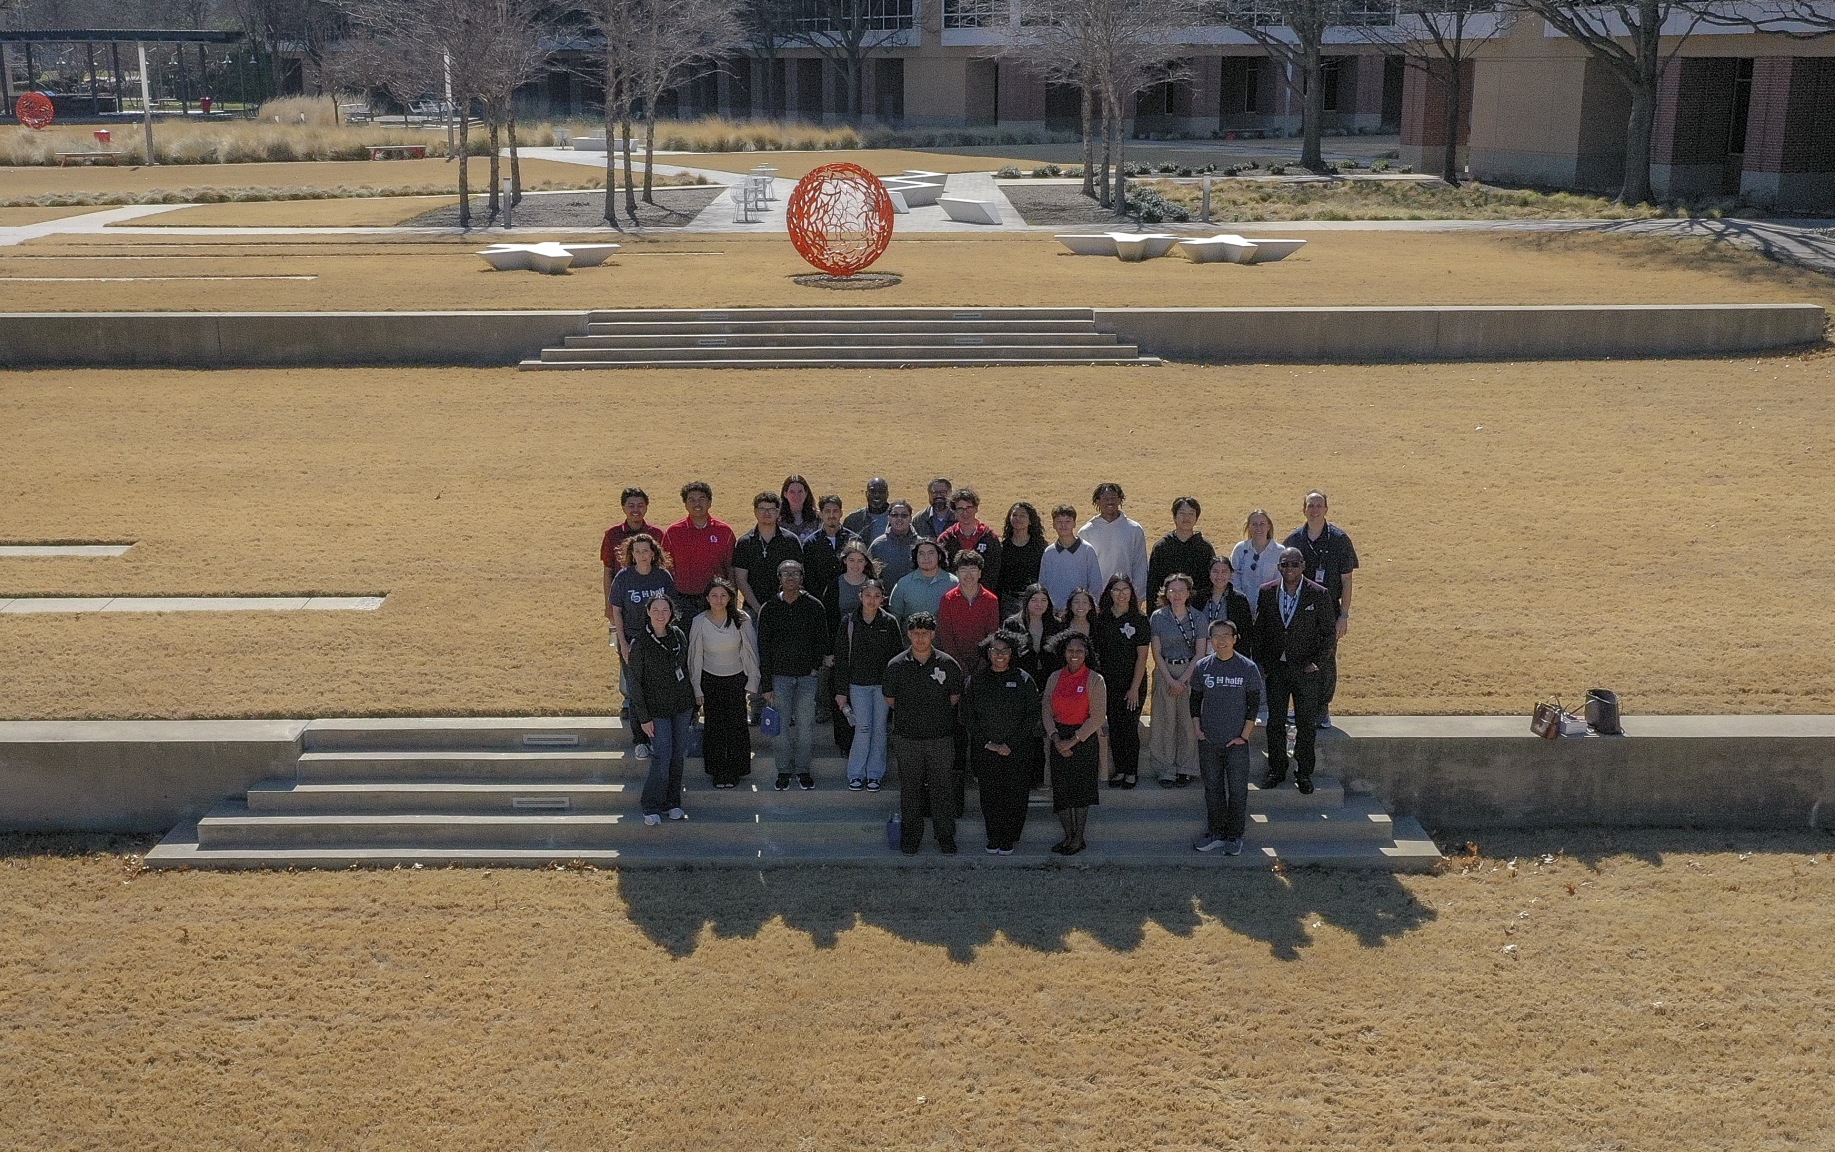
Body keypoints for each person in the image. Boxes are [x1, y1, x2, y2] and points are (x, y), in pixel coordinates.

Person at [1253, 547, 1337, 794]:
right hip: (1276, 669)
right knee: (1275, 722)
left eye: (1294, 564)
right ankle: (1277, 769)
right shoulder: (1267, 592)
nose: (1289, 568)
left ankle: (1304, 772)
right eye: (1284, 564)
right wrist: (1263, 664)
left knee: (1306, 723)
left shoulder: (1318, 594)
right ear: (1279, 567)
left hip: (1306, 670)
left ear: (1303, 566)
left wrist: (1317, 663)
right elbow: (1260, 630)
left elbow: (1329, 634)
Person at [883, 612, 966, 855]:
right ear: (908, 634)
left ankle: (945, 836)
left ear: (933, 634)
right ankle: (912, 836)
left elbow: (954, 697)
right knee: (910, 790)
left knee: (942, 789)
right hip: (907, 738)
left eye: (925, 633)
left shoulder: (948, 664)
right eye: (916, 633)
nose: (920, 638)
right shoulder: (896, 666)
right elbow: (890, 699)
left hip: (940, 738)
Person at [1189, 619, 1264, 855]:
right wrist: (1197, 729)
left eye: (1226, 636)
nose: (1221, 641)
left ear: (1235, 639)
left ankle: (1234, 836)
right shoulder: (1202, 666)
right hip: (1209, 741)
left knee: (1238, 790)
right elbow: (1195, 700)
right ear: (1210, 640)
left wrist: (1244, 736)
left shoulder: (1248, 668)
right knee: (1212, 789)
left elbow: (1253, 705)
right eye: (1216, 636)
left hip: (1236, 743)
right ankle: (1216, 833)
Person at [1284, 491, 1358, 728]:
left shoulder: (1339, 540)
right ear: (1303, 510)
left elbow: (1347, 580)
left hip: (1328, 610)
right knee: (1298, 657)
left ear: (1326, 509)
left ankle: (1322, 709)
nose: (1314, 510)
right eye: (1310, 505)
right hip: (1298, 610)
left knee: (1325, 658)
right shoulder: (1294, 541)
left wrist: (1343, 615)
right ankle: (1299, 707)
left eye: (1319, 505)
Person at [964, 631, 1041, 854]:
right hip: (986, 751)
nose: (1000, 654)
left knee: (1015, 795)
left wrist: (1011, 745)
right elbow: (968, 716)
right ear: (988, 653)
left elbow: (1031, 716)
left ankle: (1009, 837)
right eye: (995, 650)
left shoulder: (1024, 680)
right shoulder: (976, 681)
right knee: (990, 796)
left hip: (1017, 751)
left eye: (1005, 650)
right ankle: (994, 837)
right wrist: (988, 742)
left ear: (1012, 653)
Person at [756, 559, 828, 791]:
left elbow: (822, 640)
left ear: (802, 577)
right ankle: (784, 770)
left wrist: (814, 667)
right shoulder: (769, 609)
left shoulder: (814, 606)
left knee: (806, 726)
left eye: (795, 573)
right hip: (779, 679)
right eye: (785, 573)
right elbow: (763, 648)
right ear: (779, 578)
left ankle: (803, 770)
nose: (790, 577)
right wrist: (767, 684)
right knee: (781, 728)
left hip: (807, 677)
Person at [626, 594, 694, 826]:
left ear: (671, 612)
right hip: (656, 711)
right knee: (662, 757)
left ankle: (672, 803)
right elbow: (635, 683)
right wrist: (643, 718)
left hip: (681, 707)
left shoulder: (678, 635)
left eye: (665, 610)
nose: (661, 614)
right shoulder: (640, 643)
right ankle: (651, 805)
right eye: (656, 610)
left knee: (677, 756)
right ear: (648, 612)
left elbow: (684, 668)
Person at [608, 533, 678, 759]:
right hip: (633, 641)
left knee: (657, 689)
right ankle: (640, 740)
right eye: (637, 551)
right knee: (636, 691)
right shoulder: (624, 577)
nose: (642, 555)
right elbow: (617, 611)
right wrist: (623, 643)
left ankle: (658, 738)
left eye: (645, 551)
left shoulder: (663, 576)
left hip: (658, 641)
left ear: (653, 552)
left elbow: (671, 608)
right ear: (631, 554)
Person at [688, 577, 759, 788]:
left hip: (736, 679)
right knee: (714, 727)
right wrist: (697, 688)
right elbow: (694, 657)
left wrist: (752, 682)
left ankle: (736, 771)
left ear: (730, 598)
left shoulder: (742, 619)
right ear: (707, 598)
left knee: (737, 726)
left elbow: (751, 651)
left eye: (723, 596)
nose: (718, 600)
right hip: (710, 680)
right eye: (714, 595)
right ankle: (718, 772)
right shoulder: (699, 621)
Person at [1041, 631, 1107, 856]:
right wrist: (1056, 738)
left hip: (1084, 740)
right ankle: (1069, 837)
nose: (1075, 654)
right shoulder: (1054, 677)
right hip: (1058, 737)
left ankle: (1078, 839)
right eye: (1070, 650)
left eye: (1080, 650)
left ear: (1087, 652)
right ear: (1064, 652)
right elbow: (1046, 709)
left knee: (1081, 793)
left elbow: (1097, 717)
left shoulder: (1095, 680)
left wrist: (1072, 741)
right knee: (1061, 794)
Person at [832, 579, 902, 791]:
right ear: (860, 597)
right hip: (857, 685)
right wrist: (841, 691)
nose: (872, 600)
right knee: (862, 728)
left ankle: (875, 774)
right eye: (868, 596)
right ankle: (856, 774)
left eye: (877, 596)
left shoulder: (889, 622)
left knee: (880, 729)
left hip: (882, 687)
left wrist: (894, 690)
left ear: (883, 599)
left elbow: (897, 659)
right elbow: (841, 658)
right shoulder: (849, 622)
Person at [802, 494, 860, 728]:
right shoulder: (811, 543)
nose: (832, 515)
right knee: (825, 660)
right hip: (821, 611)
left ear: (841, 513)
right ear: (821, 514)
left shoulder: (853, 540)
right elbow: (808, 578)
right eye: (827, 511)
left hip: (849, 609)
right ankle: (823, 706)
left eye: (836, 511)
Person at [1148, 572, 1207, 789]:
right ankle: (1165, 769)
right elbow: (1156, 652)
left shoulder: (1198, 618)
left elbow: (1200, 653)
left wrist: (1182, 680)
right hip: (1165, 672)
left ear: (1189, 593)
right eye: (1172, 590)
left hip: (1190, 672)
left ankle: (1186, 768)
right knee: (1163, 722)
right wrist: (1171, 680)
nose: (1177, 595)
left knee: (1187, 722)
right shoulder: (1158, 617)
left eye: (1181, 590)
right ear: (1165, 593)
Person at [1091, 574, 1149, 789]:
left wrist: (1134, 688)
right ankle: (1120, 770)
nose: (1121, 594)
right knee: (1115, 727)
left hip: (1132, 682)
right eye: (1117, 590)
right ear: (1109, 593)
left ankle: (1131, 771)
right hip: (1108, 682)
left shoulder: (1139, 619)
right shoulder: (1102, 619)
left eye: (1125, 590)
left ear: (1131, 593)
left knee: (1129, 727)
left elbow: (1142, 657)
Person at [662, 481, 736, 619]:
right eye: (692, 500)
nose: (697, 504)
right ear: (685, 504)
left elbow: (730, 568)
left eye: (702, 499)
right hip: (682, 600)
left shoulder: (724, 531)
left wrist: (732, 602)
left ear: (710, 502)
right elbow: (665, 567)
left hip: (715, 601)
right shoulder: (673, 532)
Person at [733, 491, 804, 614]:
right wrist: (758, 609)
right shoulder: (745, 543)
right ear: (755, 512)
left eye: (771, 509)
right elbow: (741, 580)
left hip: (786, 609)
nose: (767, 513)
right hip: (753, 610)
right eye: (762, 509)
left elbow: (798, 575)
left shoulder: (790, 541)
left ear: (778, 512)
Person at [1079, 482, 1149, 602]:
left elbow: (1140, 565)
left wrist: (1138, 596)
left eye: (1113, 498)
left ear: (1120, 500)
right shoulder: (1086, 532)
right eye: (1105, 499)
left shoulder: (1134, 529)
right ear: (1097, 501)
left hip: (1126, 596)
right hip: (1097, 597)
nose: (1109, 502)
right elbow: (1082, 568)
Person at [1147, 497, 1218, 611]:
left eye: (1191, 514)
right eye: (1182, 513)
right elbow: (1153, 585)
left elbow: (1210, 583)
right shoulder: (1162, 547)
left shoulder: (1205, 548)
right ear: (1174, 517)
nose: (1186, 518)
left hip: (1198, 611)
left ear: (1196, 518)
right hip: (1167, 611)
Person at [937, 551, 1001, 674]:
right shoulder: (947, 600)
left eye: (973, 569)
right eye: (963, 570)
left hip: (983, 663)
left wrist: (983, 662)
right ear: (957, 573)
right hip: (954, 663)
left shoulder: (991, 600)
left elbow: (992, 633)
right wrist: (958, 664)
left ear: (980, 573)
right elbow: (946, 636)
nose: (968, 575)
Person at [601, 487, 664, 600]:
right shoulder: (612, 534)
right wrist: (609, 603)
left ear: (646, 507)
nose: (636, 510)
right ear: (623, 508)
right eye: (631, 506)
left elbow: (664, 566)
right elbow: (608, 570)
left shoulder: (657, 534)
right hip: (623, 595)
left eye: (640, 505)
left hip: (652, 595)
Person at [1040, 504, 1104, 614]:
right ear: (1054, 525)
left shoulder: (1087, 550)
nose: (1063, 525)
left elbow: (1095, 584)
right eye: (1059, 522)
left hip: (1080, 613)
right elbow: (1043, 584)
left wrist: (1089, 608)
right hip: (1054, 613)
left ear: (1074, 524)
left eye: (1068, 521)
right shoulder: (1049, 553)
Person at [937, 487, 1003, 594]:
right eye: (960, 509)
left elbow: (994, 572)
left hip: (983, 595)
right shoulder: (945, 539)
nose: (965, 513)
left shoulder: (990, 538)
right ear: (954, 511)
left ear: (976, 509)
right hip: (954, 595)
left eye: (969, 508)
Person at [1003, 583, 1064, 683]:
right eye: (1034, 600)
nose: (1039, 605)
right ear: (1026, 601)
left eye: (1043, 600)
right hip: (1021, 677)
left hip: (1049, 676)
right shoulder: (1012, 624)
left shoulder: (1056, 624)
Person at [995, 501, 1045, 619]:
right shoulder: (1002, 547)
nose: (1018, 519)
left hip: (1033, 601)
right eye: (1014, 515)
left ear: (1030, 520)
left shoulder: (1040, 547)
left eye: (1022, 516)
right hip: (1008, 601)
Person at [889, 538, 958, 622]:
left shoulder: (953, 583)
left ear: (939, 556)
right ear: (916, 557)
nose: (926, 557)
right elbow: (894, 617)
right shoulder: (903, 584)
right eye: (921, 554)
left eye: (930, 553)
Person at [1200, 556, 1256, 658]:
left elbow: (1246, 634)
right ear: (1209, 573)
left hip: (1230, 656)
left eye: (1224, 572)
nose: (1219, 576)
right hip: (1202, 655)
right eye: (1215, 571)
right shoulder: (1199, 598)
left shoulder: (1239, 600)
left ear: (1231, 574)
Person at [1230, 509, 1283, 607]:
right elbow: (1233, 576)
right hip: (1242, 606)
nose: (1258, 528)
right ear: (1249, 527)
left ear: (1268, 526)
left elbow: (1280, 581)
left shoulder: (1279, 551)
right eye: (1254, 524)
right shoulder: (1240, 549)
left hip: (1269, 607)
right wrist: (1241, 600)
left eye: (1262, 524)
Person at [870, 500, 922, 584]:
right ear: (888, 518)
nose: (899, 519)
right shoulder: (878, 545)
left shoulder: (921, 545)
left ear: (910, 518)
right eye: (895, 515)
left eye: (904, 515)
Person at [843, 477, 893, 544]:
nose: (877, 495)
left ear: (887, 494)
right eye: (873, 491)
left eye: (881, 492)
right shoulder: (853, 520)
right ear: (866, 494)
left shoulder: (899, 518)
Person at [779, 474, 822, 543]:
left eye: (800, 491)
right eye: (792, 492)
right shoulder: (777, 520)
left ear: (806, 493)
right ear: (785, 494)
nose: (796, 496)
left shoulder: (818, 518)